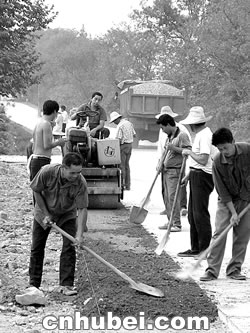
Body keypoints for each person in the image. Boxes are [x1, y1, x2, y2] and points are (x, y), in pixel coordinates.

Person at [29, 152, 88, 295]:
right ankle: (34, 284)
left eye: (78, 172)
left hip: (67, 214)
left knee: (69, 246)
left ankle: (66, 285)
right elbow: (36, 191)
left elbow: (82, 208)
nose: (76, 176)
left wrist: (79, 235)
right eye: (72, 173)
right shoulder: (46, 172)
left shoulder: (80, 182)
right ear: (63, 167)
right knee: (37, 246)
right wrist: (46, 214)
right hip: (43, 212)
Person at [200, 128, 250, 281]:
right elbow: (222, 190)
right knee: (220, 233)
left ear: (233, 142)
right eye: (220, 149)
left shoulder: (248, 150)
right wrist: (233, 213)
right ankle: (212, 270)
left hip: (246, 199)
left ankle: (234, 269)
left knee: (242, 235)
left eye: (225, 148)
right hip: (226, 201)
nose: (223, 152)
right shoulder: (217, 161)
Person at [177, 106, 215, 257]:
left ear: (192, 124)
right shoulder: (200, 134)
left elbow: (204, 159)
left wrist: (189, 152)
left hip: (203, 176)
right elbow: (197, 162)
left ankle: (203, 249)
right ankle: (195, 247)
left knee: (200, 214)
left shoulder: (204, 135)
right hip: (196, 174)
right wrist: (188, 176)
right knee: (193, 214)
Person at [156, 114, 192, 232]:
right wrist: (160, 163)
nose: (162, 130)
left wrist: (174, 148)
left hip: (175, 171)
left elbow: (188, 151)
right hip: (166, 171)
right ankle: (170, 221)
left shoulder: (182, 135)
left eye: (163, 127)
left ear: (168, 125)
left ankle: (177, 224)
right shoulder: (169, 137)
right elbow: (165, 153)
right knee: (166, 197)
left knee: (173, 197)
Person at [28, 100, 66, 181]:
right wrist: (59, 142)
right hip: (42, 160)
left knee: (36, 189)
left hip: (35, 159)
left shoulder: (39, 122)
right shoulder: (46, 124)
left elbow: (35, 143)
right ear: (55, 111)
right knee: (42, 190)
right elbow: (47, 145)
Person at [109, 111, 136, 191]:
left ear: (117, 119)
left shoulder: (120, 126)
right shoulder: (129, 123)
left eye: (114, 121)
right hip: (130, 145)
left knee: (121, 166)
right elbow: (135, 135)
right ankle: (128, 185)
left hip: (123, 146)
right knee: (127, 165)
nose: (114, 123)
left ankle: (122, 184)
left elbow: (118, 139)